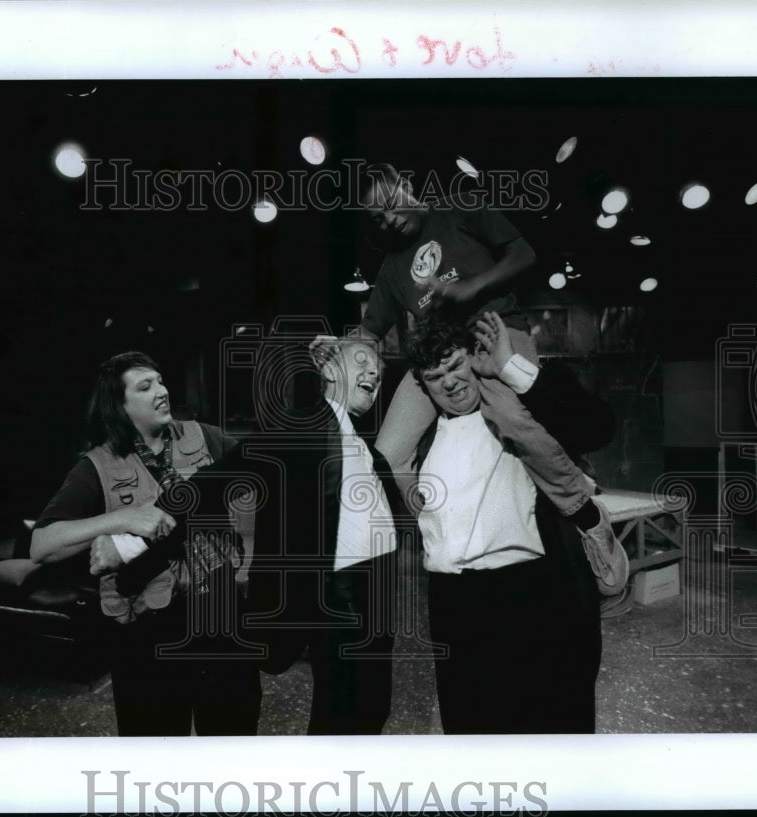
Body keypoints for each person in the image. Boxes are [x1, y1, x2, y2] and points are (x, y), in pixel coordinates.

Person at [316, 162, 627, 594]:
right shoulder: (390, 269)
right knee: (388, 449)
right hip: (440, 352)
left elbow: (525, 254)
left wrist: (472, 288)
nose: (388, 219)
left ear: (406, 184)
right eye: (376, 217)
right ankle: (432, 525)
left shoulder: (460, 208)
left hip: (493, 335)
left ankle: (586, 515)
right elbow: (370, 332)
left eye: (388, 204)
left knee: (513, 419)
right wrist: (337, 347)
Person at [92, 338, 402, 735]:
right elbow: (218, 479)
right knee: (342, 724)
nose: (374, 372)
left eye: (379, 368)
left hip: (376, 606)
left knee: (372, 712)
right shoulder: (303, 425)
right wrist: (131, 541)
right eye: (361, 361)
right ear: (327, 371)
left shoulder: (366, 450)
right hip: (338, 606)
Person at [405, 310, 619, 734]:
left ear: (473, 358)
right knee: (475, 733)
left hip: (532, 596)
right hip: (457, 606)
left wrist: (510, 368)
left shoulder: (520, 408)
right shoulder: (424, 442)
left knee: (548, 730)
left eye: (454, 365)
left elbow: (597, 427)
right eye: (434, 376)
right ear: (424, 388)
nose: (448, 381)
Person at [30, 351, 261, 737]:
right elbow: (42, 545)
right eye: (145, 386)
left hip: (222, 623)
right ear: (120, 406)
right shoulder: (95, 466)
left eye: (160, 381)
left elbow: (263, 464)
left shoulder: (205, 437)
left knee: (231, 746)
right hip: (149, 637)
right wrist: (123, 518)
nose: (162, 391)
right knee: (155, 757)